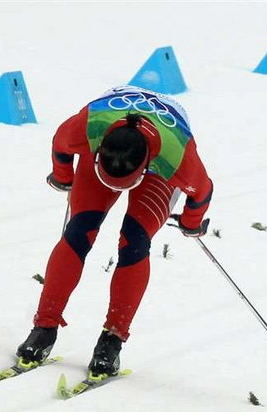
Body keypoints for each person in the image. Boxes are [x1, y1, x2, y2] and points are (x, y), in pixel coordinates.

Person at [15, 85, 213, 382]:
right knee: (79, 230)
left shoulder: (178, 156)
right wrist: (63, 176)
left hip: (161, 153)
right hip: (109, 126)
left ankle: (111, 341)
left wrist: (191, 221)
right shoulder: (86, 128)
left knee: (135, 240)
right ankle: (43, 328)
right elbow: (60, 144)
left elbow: (201, 192)